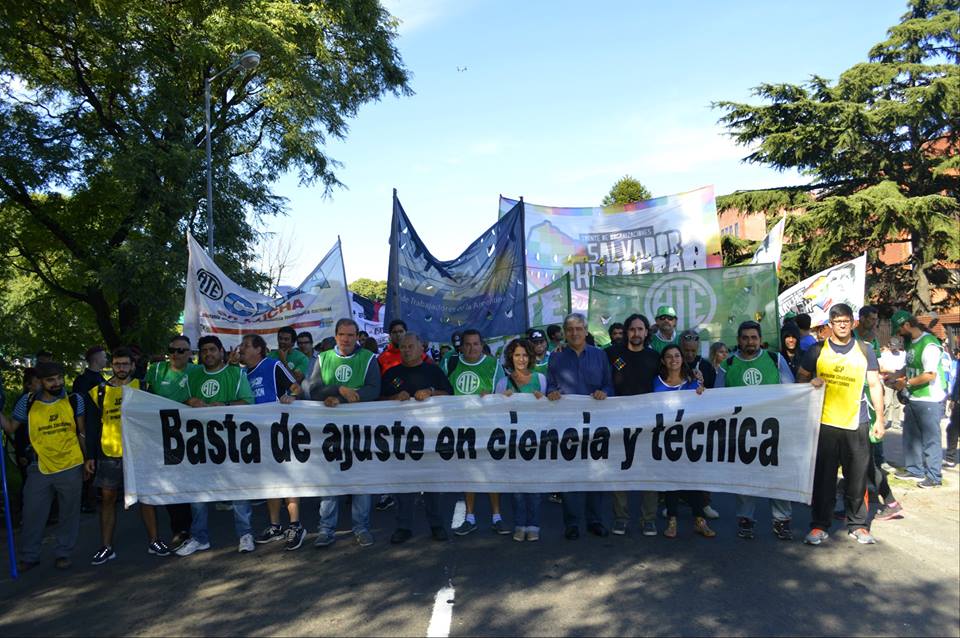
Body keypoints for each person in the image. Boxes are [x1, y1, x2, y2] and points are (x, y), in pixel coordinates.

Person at [797, 304, 885, 546]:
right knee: (824, 479)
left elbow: (875, 385)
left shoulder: (865, 350)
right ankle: (818, 525)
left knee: (856, 477)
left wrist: (880, 418)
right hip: (825, 422)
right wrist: (809, 383)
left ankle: (858, 525)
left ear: (853, 323)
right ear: (830, 325)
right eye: (838, 321)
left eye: (846, 321)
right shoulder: (817, 350)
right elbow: (801, 378)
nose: (843, 325)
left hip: (857, 422)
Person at [1, 361, 87, 571]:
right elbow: (11, 427)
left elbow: (81, 432)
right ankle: (30, 556)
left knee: (69, 513)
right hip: (39, 467)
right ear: (39, 381)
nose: (57, 383)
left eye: (59, 378)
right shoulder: (27, 402)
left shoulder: (75, 400)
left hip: (71, 464)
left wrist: (87, 461)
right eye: (51, 380)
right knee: (32, 513)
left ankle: (63, 553)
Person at [87, 348, 170, 564]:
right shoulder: (99, 391)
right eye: (117, 364)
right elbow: (93, 426)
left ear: (132, 365)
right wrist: (90, 456)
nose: (121, 368)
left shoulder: (143, 387)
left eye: (125, 364)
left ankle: (154, 541)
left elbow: (154, 420)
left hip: (140, 452)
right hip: (109, 452)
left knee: (146, 497)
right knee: (107, 499)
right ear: (111, 365)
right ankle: (106, 547)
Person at [176, 335, 256, 556]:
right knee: (198, 492)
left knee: (238, 490)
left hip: (231, 441)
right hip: (200, 443)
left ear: (221, 351)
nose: (208, 354)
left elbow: (249, 402)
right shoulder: (192, 376)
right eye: (204, 351)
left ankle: (245, 534)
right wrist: (188, 401)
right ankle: (200, 538)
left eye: (212, 349)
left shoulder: (236, 374)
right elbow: (178, 402)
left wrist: (225, 405)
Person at [716, 321, 796, 541]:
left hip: (773, 430)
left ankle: (782, 521)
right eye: (745, 338)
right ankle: (745, 520)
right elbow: (716, 398)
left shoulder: (775, 359)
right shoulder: (728, 364)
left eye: (753, 337)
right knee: (745, 478)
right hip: (742, 432)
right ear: (739, 340)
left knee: (777, 475)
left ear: (760, 339)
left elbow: (792, 391)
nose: (749, 341)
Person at [309, 318, 381, 548]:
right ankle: (326, 529)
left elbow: (374, 389)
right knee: (330, 481)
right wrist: (338, 391)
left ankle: (361, 527)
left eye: (351, 335)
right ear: (336, 335)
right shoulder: (323, 358)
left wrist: (345, 398)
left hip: (360, 429)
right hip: (330, 432)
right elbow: (314, 390)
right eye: (342, 334)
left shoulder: (368, 358)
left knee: (360, 481)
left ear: (357, 335)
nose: (346, 339)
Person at [381, 332, 453, 544]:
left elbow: (450, 395)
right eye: (403, 347)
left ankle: (436, 525)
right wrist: (394, 398)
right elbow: (377, 401)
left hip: (430, 437)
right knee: (404, 484)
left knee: (432, 483)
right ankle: (403, 527)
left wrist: (431, 392)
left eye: (411, 346)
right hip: (401, 439)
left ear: (422, 348)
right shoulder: (391, 374)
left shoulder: (433, 371)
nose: (406, 350)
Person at [547, 313, 614, 540]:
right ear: (565, 333)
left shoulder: (600, 356)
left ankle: (595, 520)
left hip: (596, 425)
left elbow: (609, 385)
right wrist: (551, 393)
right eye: (570, 329)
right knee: (570, 474)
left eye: (579, 328)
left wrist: (604, 392)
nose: (574, 333)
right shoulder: (555, 359)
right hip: (567, 426)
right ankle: (572, 523)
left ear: (586, 331)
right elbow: (549, 387)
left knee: (596, 472)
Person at [241, 334, 306, 551]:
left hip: (280, 431)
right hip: (256, 435)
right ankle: (275, 526)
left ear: (259, 349)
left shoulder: (272, 365)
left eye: (246, 345)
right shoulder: (241, 373)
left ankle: (296, 525)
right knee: (270, 481)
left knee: (287, 479)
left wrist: (292, 397)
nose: (241, 349)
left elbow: (296, 386)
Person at [447, 329, 508, 535]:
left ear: (482, 345)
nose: (472, 348)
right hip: (461, 428)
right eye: (468, 344)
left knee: (491, 472)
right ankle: (470, 517)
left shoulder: (494, 365)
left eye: (475, 344)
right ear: (461, 346)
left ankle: (497, 516)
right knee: (469, 473)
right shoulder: (450, 363)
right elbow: (441, 391)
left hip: (488, 427)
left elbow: (503, 394)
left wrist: (493, 397)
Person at [606, 313, 661, 536]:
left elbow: (671, 381)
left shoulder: (654, 357)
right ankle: (621, 518)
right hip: (618, 421)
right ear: (626, 331)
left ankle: (649, 519)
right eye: (632, 329)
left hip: (648, 423)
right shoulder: (612, 354)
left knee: (649, 471)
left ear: (646, 332)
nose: (636, 333)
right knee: (620, 469)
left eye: (640, 329)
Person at [652, 344, 714, 538]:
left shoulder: (692, 382)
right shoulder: (656, 382)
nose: (674, 360)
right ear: (663, 360)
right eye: (669, 356)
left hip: (689, 437)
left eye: (677, 356)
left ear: (682, 358)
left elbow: (701, 406)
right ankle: (672, 519)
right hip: (665, 438)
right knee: (671, 479)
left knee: (692, 478)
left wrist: (702, 393)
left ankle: (699, 519)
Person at [143, 335, 196, 549]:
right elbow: (145, 397)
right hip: (160, 434)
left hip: (189, 434)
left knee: (185, 480)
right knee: (171, 480)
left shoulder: (197, 371)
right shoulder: (156, 370)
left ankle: (189, 526)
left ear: (190, 353)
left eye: (181, 351)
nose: (175, 354)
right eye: (172, 349)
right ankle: (180, 529)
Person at [495, 338, 547, 542]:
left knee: (533, 486)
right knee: (516, 487)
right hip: (513, 441)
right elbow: (495, 414)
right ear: (511, 357)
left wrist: (542, 400)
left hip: (535, 440)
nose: (521, 359)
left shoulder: (540, 379)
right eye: (517, 355)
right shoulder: (502, 383)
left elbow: (551, 407)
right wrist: (501, 400)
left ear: (530, 357)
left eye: (525, 355)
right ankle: (519, 523)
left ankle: (533, 524)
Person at [890, 311, 947, 488]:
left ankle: (934, 476)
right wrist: (895, 375)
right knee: (911, 435)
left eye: (899, 330)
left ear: (906, 325)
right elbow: (910, 365)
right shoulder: (911, 343)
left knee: (931, 438)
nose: (899, 335)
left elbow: (930, 374)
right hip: (914, 396)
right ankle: (914, 469)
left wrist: (905, 383)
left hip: (930, 398)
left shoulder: (929, 344)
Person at [678, 329, 720, 520]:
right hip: (678, 422)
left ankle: (704, 504)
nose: (689, 354)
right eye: (686, 350)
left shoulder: (707, 367)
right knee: (678, 463)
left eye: (693, 351)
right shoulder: (673, 363)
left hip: (702, 421)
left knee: (703, 465)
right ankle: (676, 503)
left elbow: (715, 394)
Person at [72, 345, 107, 514]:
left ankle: (97, 493)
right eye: (104, 356)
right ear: (95, 359)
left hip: (101, 426)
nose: (106, 359)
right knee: (88, 460)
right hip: (87, 426)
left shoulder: (101, 377)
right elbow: (79, 405)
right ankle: (87, 498)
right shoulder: (83, 380)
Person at [878, 337, 906, 430]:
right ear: (889, 346)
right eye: (894, 347)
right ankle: (884, 422)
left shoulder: (902, 354)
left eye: (897, 347)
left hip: (899, 381)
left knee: (897, 404)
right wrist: (890, 370)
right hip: (888, 381)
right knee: (887, 403)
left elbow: (905, 366)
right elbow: (881, 368)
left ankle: (896, 423)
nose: (895, 349)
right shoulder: (884, 355)